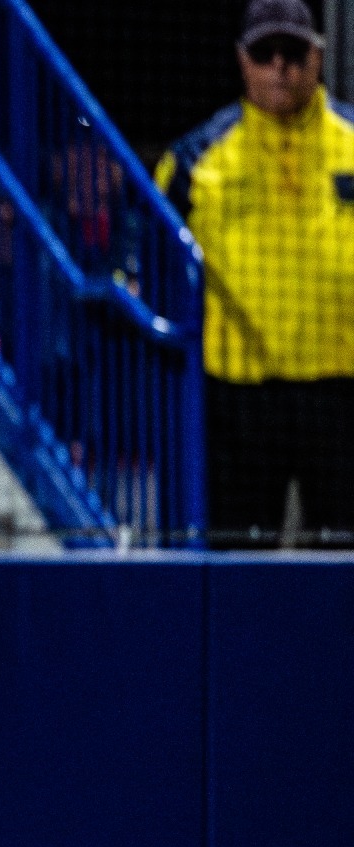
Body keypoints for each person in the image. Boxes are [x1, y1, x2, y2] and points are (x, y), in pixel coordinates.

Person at [156, 0, 354, 546]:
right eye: (265, 53)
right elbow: (152, 260)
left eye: (293, 52)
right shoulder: (195, 161)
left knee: (344, 555)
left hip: (342, 389)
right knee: (239, 555)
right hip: (238, 396)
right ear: (243, 61)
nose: (280, 66)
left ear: (317, 57)